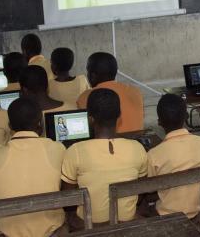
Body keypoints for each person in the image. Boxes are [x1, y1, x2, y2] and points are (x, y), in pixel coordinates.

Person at [0, 97, 66, 237]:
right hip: (51, 232)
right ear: (41, 123)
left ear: (10, 126)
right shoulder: (57, 148)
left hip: (8, 233)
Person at [61, 89, 147, 226]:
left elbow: (68, 198)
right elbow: (141, 190)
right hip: (126, 223)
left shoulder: (75, 151)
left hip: (89, 226)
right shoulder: (137, 148)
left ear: (90, 118)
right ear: (119, 115)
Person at [144, 94, 200, 219]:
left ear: (159, 122)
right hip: (198, 216)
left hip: (166, 218)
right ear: (187, 117)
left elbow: (150, 191)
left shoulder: (153, 155)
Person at [77, 52, 144, 133]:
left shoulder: (86, 97)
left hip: (107, 144)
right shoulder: (135, 91)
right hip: (136, 142)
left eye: (88, 71)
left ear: (93, 76)